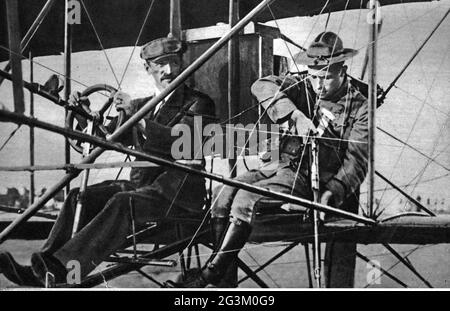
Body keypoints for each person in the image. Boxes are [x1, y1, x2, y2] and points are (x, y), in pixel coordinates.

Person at [0, 36, 216, 287]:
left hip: (177, 195)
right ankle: (43, 268)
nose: (168, 71)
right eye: (161, 64)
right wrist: (84, 114)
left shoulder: (200, 103)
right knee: (76, 198)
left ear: (182, 63)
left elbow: (182, 143)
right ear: (148, 69)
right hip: (144, 188)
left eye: (174, 63)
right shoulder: (142, 104)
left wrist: (138, 118)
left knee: (122, 202)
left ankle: (62, 270)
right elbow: (107, 138)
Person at [176, 31, 369, 288]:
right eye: (313, 77)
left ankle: (208, 276)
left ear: (342, 70)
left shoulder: (360, 107)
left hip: (313, 180)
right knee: (223, 194)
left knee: (245, 200)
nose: (318, 85)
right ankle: (220, 278)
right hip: (281, 167)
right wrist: (295, 115)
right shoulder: (302, 85)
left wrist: (333, 191)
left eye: (326, 78)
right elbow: (262, 85)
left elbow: (357, 160)